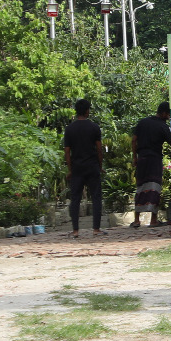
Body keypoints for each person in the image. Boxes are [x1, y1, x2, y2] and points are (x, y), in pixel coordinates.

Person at [63, 99, 105, 237]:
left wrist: (70, 169)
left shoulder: (69, 129)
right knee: (96, 197)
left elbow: (67, 152)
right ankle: (96, 229)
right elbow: (99, 149)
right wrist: (100, 166)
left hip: (77, 167)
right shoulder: (94, 127)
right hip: (92, 166)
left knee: (75, 198)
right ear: (87, 111)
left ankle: (75, 230)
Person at [131, 101, 171, 228]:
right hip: (154, 160)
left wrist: (134, 158)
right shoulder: (163, 127)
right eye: (169, 114)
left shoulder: (143, 122)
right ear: (164, 113)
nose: (169, 117)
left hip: (142, 159)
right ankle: (153, 220)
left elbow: (134, 140)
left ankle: (137, 220)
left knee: (140, 187)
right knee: (155, 188)